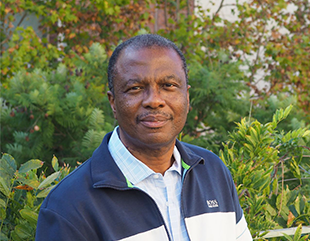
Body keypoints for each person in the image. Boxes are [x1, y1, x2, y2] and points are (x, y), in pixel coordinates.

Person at [35, 34, 253, 241]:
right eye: (135, 88)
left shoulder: (212, 171)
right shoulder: (69, 205)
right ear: (113, 103)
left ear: (187, 97)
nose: (154, 100)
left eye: (168, 86)